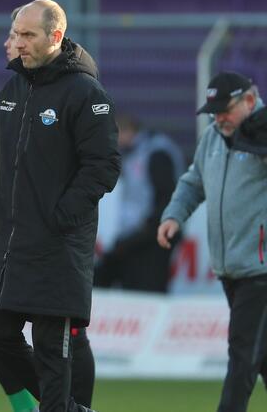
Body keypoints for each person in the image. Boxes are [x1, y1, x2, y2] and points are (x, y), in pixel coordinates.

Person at [0, 0, 120, 412]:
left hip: (56, 244)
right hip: (10, 241)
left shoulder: (86, 92)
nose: (17, 43)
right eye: (15, 34)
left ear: (55, 36)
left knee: (54, 352)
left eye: (28, 35)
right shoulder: (12, 88)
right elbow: (0, 165)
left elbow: (104, 165)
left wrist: (62, 216)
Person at [158, 71, 267, 412]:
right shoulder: (213, 138)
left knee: (242, 354)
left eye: (225, 109)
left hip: (260, 269)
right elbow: (194, 182)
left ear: (249, 101)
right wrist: (174, 215)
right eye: (214, 110)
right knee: (259, 356)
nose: (218, 117)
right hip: (231, 269)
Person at [95, 113, 185, 293]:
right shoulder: (137, 152)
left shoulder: (156, 153)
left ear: (125, 131)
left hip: (153, 236)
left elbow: (165, 201)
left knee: (146, 292)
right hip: (139, 236)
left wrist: (140, 235)